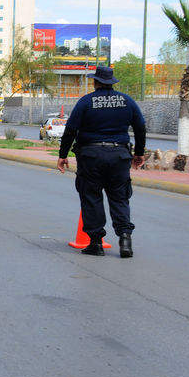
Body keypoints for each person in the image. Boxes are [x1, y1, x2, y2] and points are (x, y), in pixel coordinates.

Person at [57, 66, 146, 258]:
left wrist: (63, 155)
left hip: (91, 156)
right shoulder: (127, 101)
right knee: (119, 197)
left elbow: (70, 130)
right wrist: (139, 153)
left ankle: (96, 243)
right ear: (112, 82)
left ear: (95, 82)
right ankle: (125, 239)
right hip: (119, 156)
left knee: (91, 197)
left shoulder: (86, 101)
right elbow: (140, 127)